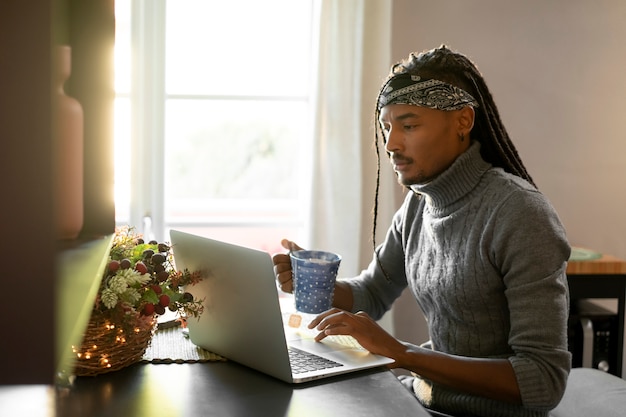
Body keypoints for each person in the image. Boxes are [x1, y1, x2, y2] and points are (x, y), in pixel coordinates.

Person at [272, 45, 571, 417]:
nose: (391, 144)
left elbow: (543, 379)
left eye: (409, 126)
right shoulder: (418, 204)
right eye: (386, 127)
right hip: (422, 401)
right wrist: (314, 285)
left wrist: (402, 353)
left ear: (463, 121)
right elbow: (372, 292)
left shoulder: (520, 214)